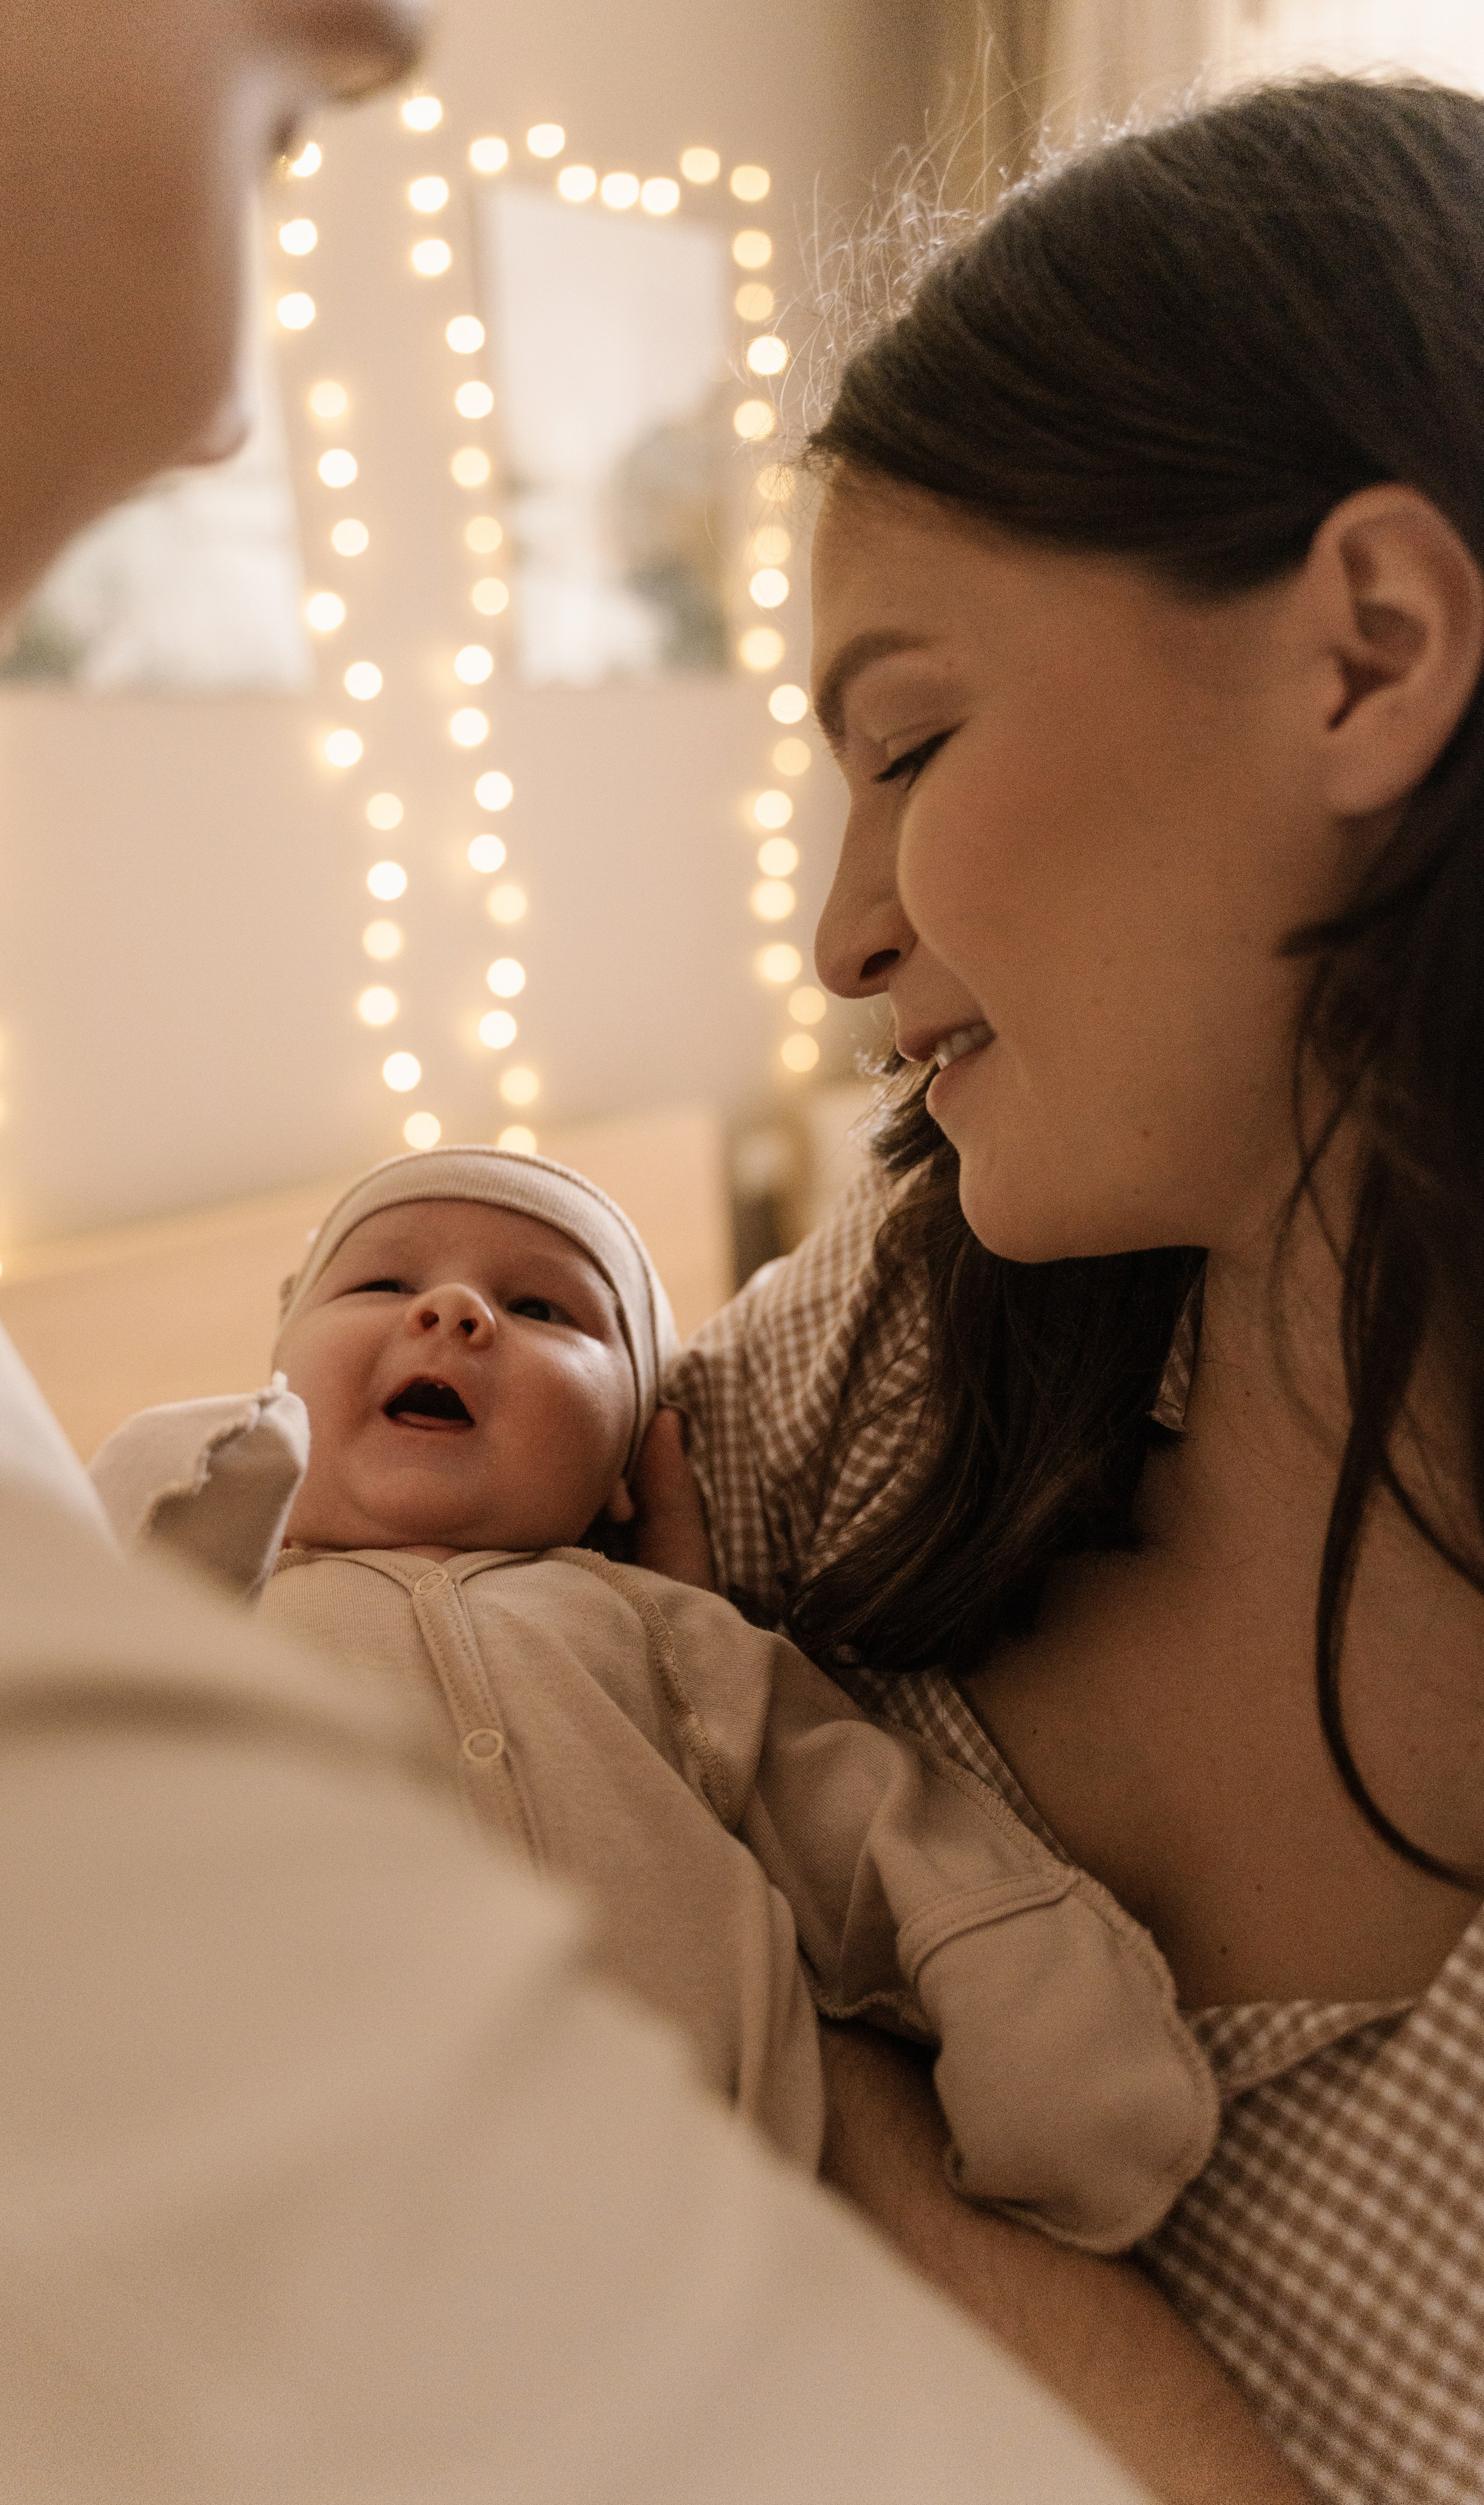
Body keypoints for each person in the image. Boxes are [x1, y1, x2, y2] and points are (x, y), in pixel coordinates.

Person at [0, 3, 1312, 2497]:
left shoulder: (703, 1595)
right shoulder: (83, 1604)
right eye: (281, 112)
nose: (223, 417)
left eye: (545, 1312)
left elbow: (889, 1862)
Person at [660, 72, 1484, 2505]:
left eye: (908, 738)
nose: (837, 936)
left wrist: (843, 2139)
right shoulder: (864, 1385)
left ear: (1373, 648)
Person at [101, 1144, 1219, 2239]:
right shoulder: (217, 1607)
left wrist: (1042, 2030)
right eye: (382, 1282)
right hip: (309, 2210)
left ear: (626, 1467)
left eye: (545, 1309)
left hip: (692, 2240)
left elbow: (880, 1830)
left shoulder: (667, 1635)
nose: (450, 1310)